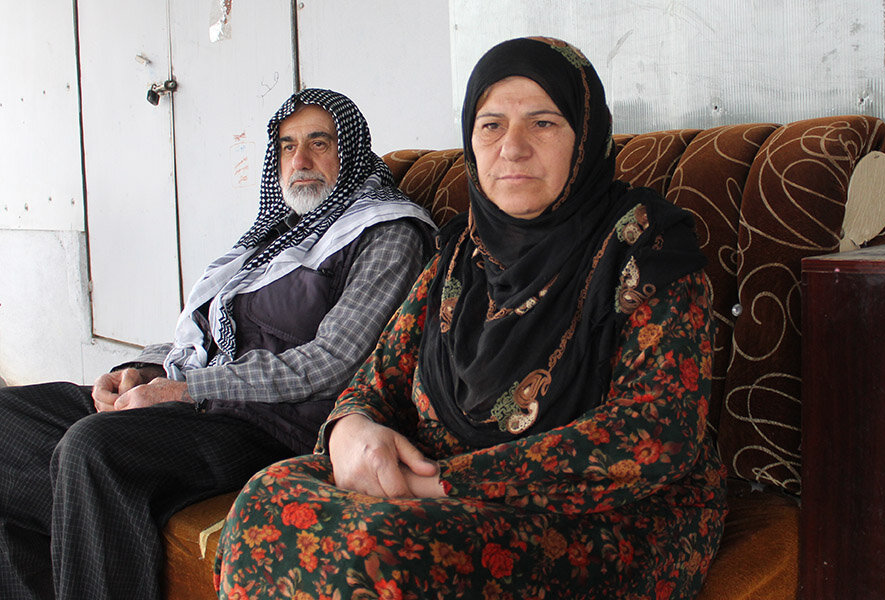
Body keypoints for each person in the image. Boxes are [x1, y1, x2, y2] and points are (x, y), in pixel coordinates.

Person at [214, 38, 727, 600]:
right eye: (490, 126)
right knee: (267, 496)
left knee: (386, 552)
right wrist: (350, 430)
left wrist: (443, 484)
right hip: (437, 483)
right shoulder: (460, 252)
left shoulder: (647, 250)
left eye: (544, 123)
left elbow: (656, 435)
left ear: (586, 136)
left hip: (605, 515)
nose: (513, 148)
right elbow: (378, 376)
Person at [0, 88, 435, 600]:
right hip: (198, 397)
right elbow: (206, 333)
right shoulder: (274, 237)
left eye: (320, 142)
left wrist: (185, 388)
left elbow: (333, 363)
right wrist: (143, 369)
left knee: (90, 450)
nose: (300, 159)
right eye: (287, 146)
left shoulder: (386, 232)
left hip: (269, 425)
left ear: (352, 151)